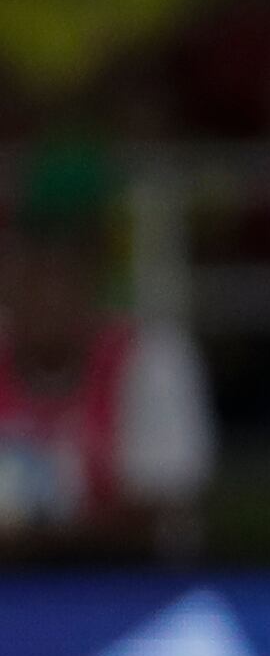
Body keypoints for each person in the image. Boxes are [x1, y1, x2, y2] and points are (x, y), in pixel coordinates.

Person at [0, 143, 211, 563]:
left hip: (127, 587)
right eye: (29, 283)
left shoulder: (150, 360)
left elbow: (162, 512)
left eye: (58, 283)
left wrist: (38, 542)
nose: (44, 302)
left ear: (89, 288)